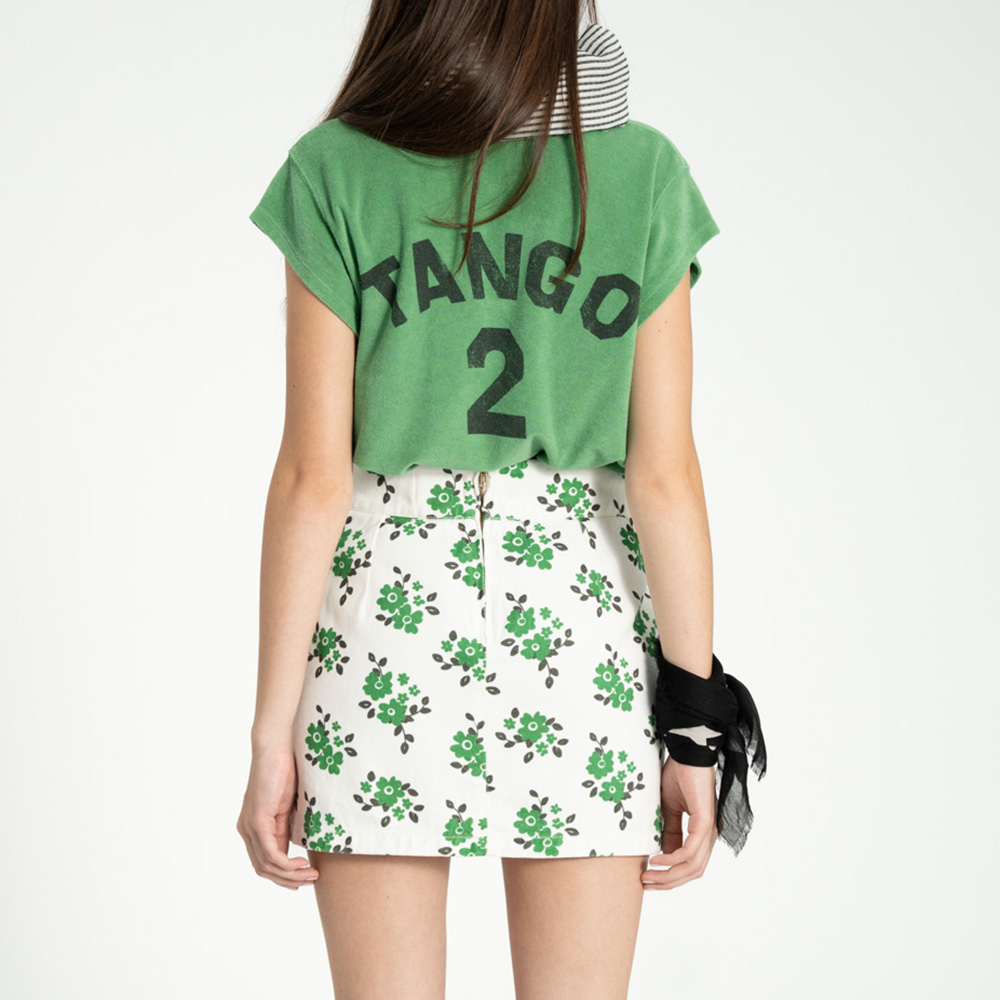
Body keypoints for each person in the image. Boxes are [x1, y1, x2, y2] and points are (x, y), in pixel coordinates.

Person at [237, 2, 734, 997]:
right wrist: (695, 728)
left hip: (385, 619)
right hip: (577, 615)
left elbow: (312, 477)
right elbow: (664, 477)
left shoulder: (336, 168)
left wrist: (270, 732)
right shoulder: (639, 172)